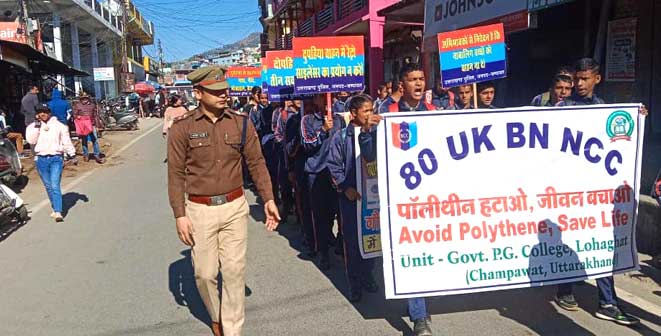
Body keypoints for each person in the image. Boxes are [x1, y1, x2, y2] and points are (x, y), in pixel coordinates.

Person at [167, 66, 280, 336]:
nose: (223, 95)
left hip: (234, 206)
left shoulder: (241, 123)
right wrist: (179, 214)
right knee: (204, 275)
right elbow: (175, 173)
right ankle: (216, 315)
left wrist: (268, 198)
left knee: (234, 271)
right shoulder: (183, 128)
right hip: (199, 210)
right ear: (198, 93)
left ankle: (231, 330)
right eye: (215, 91)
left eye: (225, 90)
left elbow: (256, 162)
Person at [554, 58, 646, 325]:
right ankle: (565, 288)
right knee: (568, 241)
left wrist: (638, 119)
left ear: (597, 79)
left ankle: (607, 301)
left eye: (585, 79)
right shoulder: (563, 107)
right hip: (568, 190)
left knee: (600, 244)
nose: (579, 84)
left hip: (596, 193)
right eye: (576, 79)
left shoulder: (605, 109)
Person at [376, 63, 435, 336]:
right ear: (403, 85)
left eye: (422, 79)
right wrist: (368, 132)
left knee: (428, 252)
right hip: (401, 196)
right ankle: (419, 316)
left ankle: (423, 302)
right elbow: (369, 153)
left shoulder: (434, 112)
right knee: (411, 251)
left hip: (430, 194)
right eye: (413, 79)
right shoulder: (387, 113)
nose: (419, 84)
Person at [327, 94, 381, 302]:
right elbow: (333, 166)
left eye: (371, 110)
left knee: (372, 237)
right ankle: (354, 282)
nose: (370, 115)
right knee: (352, 241)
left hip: (373, 195)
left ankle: (368, 275)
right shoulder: (341, 137)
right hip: (351, 197)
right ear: (353, 114)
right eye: (366, 111)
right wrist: (344, 187)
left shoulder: (377, 132)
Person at [301, 94, 346, 270]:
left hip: (335, 173)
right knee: (320, 216)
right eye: (322, 97)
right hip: (316, 172)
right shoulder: (308, 120)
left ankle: (339, 245)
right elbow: (307, 143)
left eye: (330, 96)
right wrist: (323, 131)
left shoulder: (339, 120)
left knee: (338, 213)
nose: (328, 100)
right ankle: (323, 252)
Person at [26, 103, 76, 223]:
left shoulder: (60, 126)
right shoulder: (33, 126)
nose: (42, 114)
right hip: (41, 159)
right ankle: (54, 207)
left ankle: (58, 211)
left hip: (56, 158)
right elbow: (31, 141)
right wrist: (37, 126)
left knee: (54, 185)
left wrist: (72, 154)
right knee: (48, 186)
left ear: (49, 112)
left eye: (44, 111)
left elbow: (66, 141)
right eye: (40, 112)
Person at [72, 93, 104, 164]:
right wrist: (77, 117)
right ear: (81, 99)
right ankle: (86, 155)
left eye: (86, 98)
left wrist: (98, 125)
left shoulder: (92, 105)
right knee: (84, 140)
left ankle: (97, 155)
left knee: (95, 140)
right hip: (83, 125)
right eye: (83, 98)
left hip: (92, 125)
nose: (84, 99)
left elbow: (96, 116)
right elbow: (74, 114)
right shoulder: (77, 105)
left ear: (88, 98)